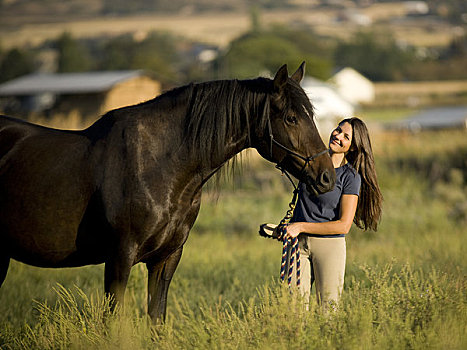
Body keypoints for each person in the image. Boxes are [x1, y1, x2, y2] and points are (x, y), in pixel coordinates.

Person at [283, 117, 383, 310]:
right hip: (297, 244)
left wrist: (300, 226)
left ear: (352, 147)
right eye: (338, 130)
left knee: (328, 313)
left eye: (346, 137)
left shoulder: (350, 177)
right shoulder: (310, 164)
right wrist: (289, 227)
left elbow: (344, 225)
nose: (338, 136)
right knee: (291, 312)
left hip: (329, 247)